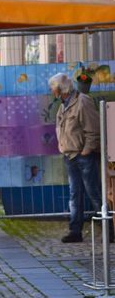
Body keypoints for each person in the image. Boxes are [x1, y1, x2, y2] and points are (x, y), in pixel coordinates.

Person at [50, 73, 103, 243]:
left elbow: (93, 129)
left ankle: (110, 228)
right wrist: (63, 147)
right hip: (70, 155)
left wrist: (87, 150)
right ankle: (75, 231)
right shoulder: (63, 105)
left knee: (94, 192)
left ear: (60, 88)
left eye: (53, 87)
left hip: (83, 155)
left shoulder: (82, 101)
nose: (52, 90)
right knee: (75, 194)